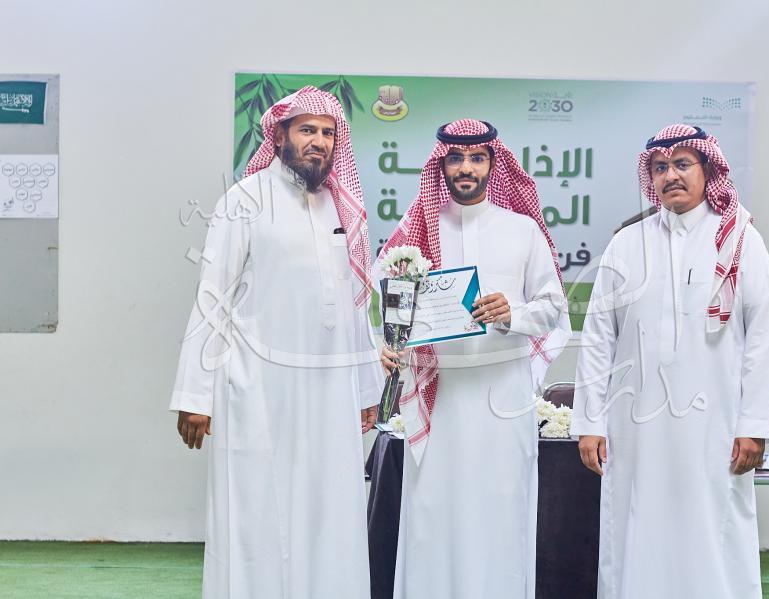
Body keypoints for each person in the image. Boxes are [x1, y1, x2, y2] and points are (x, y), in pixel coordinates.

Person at [170, 86, 381, 598]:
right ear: (280, 135)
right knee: (258, 512)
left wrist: (366, 386)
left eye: (328, 132)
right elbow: (212, 297)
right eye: (307, 130)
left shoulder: (341, 208)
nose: (319, 141)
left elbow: (353, 303)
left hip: (329, 393)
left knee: (329, 509)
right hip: (258, 390)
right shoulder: (244, 200)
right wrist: (195, 394)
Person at [572, 124, 769, 598]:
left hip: (715, 422)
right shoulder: (627, 243)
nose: (671, 176)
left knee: (712, 525)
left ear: (708, 169)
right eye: (660, 168)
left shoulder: (740, 240)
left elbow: (763, 338)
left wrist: (753, 424)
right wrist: (590, 421)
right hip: (635, 425)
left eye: (683, 164)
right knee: (635, 524)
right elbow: (599, 338)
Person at [380, 119, 570, 599]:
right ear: (441, 164)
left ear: (492, 164)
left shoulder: (522, 230)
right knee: (433, 514)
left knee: (501, 511)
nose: (466, 168)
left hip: (502, 397)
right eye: (456, 158)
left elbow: (553, 307)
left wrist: (513, 314)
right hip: (440, 398)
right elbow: (390, 311)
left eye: (477, 158)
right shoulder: (416, 232)